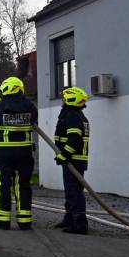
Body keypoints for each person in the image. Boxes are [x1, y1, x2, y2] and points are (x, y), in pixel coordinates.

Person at [0, 77, 38, 230]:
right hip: (25, 152)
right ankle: (24, 220)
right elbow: (33, 118)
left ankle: (3, 220)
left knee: (3, 185)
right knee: (23, 185)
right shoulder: (31, 107)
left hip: (4, 153)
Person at [53, 87, 90, 235]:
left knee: (74, 192)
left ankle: (80, 224)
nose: (62, 100)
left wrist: (64, 154)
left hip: (73, 160)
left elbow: (74, 139)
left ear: (71, 99)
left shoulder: (72, 116)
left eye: (64, 98)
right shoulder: (77, 115)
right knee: (71, 191)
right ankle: (69, 218)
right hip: (75, 160)